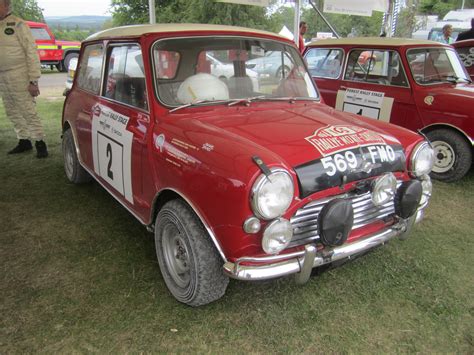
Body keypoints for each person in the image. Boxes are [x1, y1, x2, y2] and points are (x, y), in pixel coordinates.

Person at [0, 0, 48, 158]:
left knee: (27, 110)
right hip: (3, 76)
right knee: (11, 110)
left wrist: (33, 80)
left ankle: (40, 143)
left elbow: (31, 52)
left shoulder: (19, 25)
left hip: (19, 74)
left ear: (7, 6)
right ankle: (23, 140)